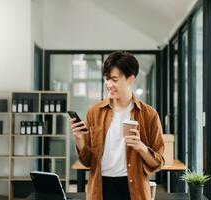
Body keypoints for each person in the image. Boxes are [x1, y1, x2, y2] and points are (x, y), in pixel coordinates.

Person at [70, 51, 165, 200]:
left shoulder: (149, 115)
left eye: (114, 79)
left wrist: (141, 147)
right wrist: (80, 141)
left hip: (134, 189)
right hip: (100, 188)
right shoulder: (94, 112)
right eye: (107, 79)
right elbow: (88, 162)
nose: (109, 85)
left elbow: (158, 162)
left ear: (131, 79)